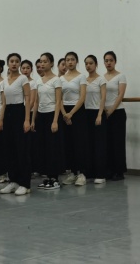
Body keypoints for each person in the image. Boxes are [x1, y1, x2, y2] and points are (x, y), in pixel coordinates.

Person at [0, 53, 32, 196]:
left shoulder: (23, 78)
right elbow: (3, 103)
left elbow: (27, 100)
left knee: (22, 150)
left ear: (19, 64)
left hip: (20, 112)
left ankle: (25, 183)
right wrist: (0, 119)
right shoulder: (4, 81)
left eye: (16, 61)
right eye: (11, 61)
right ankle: (13, 181)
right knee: (9, 149)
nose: (14, 63)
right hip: (7, 114)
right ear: (7, 63)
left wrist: (27, 119)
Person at [34, 52, 64, 190]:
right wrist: (33, 119)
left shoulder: (56, 80)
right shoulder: (38, 81)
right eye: (41, 61)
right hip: (41, 116)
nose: (42, 64)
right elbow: (36, 101)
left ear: (51, 63)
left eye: (45, 61)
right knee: (43, 147)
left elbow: (58, 101)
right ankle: (47, 177)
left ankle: (55, 178)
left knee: (53, 147)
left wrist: (55, 120)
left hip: (52, 115)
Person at [60, 52, 88, 185]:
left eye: (72, 59)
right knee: (68, 143)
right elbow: (59, 98)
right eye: (67, 60)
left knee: (79, 142)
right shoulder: (61, 78)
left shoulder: (81, 77)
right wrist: (64, 114)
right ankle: (72, 172)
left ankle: (81, 173)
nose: (70, 62)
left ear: (76, 61)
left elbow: (82, 97)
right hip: (64, 112)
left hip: (78, 111)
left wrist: (71, 113)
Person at [83, 55, 107, 184]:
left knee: (99, 144)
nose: (88, 66)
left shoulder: (101, 80)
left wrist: (99, 114)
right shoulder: (84, 80)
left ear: (96, 64)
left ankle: (101, 174)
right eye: (86, 63)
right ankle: (89, 172)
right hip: (86, 113)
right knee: (88, 144)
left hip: (97, 112)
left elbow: (103, 98)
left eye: (91, 63)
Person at [103, 51, 127, 181]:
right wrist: (104, 110)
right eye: (106, 61)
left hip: (117, 112)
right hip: (104, 112)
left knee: (118, 142)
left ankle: (119, 171)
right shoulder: (102, 78)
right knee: (107, 142)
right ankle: (109, 170)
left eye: (111, 60)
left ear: (115, 62)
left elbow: (120, 94)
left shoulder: (120, 76)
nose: (108, 63)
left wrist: (111, 110)